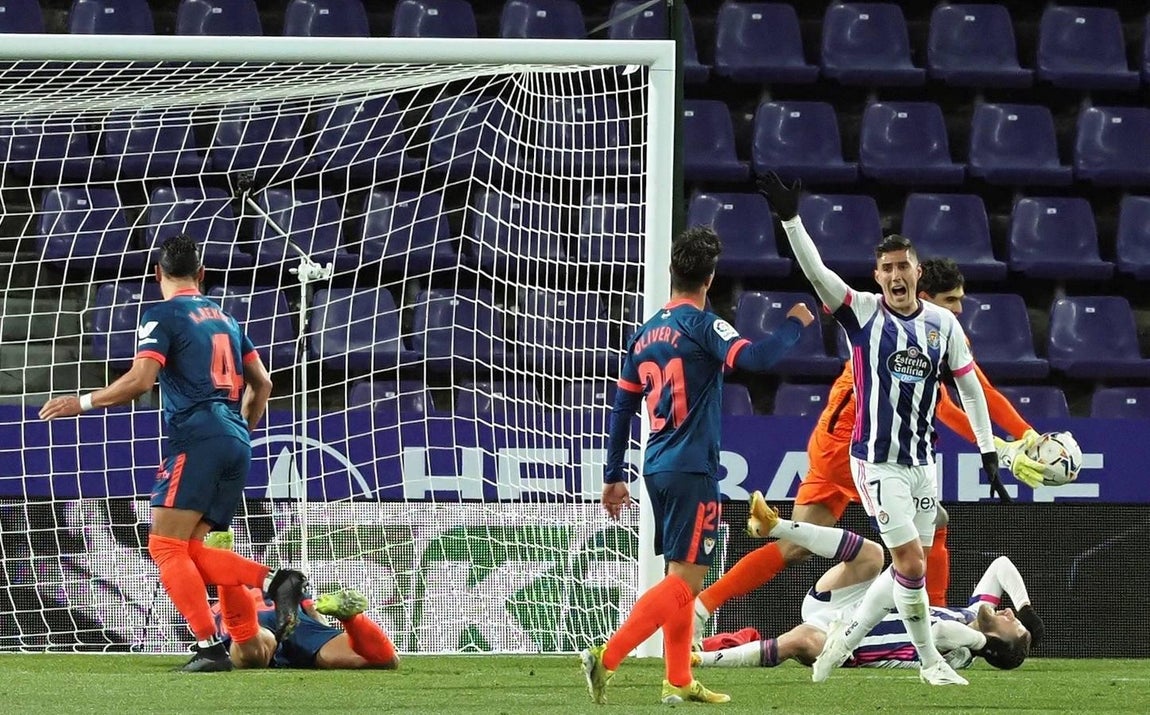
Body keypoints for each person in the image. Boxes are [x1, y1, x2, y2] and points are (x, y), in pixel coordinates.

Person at [693, 258, 1048, 646]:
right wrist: (1001, 448)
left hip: (848, 439)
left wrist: (1028, 436)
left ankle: (701, 607)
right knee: (931, 519)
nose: (960, 310)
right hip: (854, 441)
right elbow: (944, 407)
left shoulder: (940, 329)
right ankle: (936, 620)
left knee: (795, 547)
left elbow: (980, 392)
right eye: (952, 300)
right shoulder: (892, 326)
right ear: (923, 295)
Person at [758, 174, 1003, 686]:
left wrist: (987, 450)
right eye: (886, 268)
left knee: (902, 570)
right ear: (877, 275)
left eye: (903, 267)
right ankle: (931, 665)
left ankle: (841, 645)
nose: (895, 275)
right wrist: (790, 218)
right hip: (876, 460)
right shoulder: (863, 314)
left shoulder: (942, 325)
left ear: (917, 273)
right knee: (910, 560)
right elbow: (816, 271)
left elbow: (971, 390)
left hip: (923, 464)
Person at [38, 234, 307, 672]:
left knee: (164, 545)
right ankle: (277, 583)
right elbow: (265, 384)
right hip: (236, 437)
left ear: (157, 273)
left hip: (197, 435)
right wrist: (237, 431)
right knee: (189, 547)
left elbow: (142, 379)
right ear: (202, 274)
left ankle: (209, 646)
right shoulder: (226, 318)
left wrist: (81, 403)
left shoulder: (162, 314)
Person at [579, 226, 815, 705]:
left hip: (658, 466)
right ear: (709, 279)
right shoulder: (703, 326)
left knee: (678, 576)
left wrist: (612, 476)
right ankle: (607, 657)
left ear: (672, 272)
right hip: (692, 467)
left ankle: (679, 678)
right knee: (687, 582)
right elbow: (757, 358)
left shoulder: (644, 333)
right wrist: (795, 322)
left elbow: (622, 408)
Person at [694, 498, 1042, 673]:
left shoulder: (961, 654)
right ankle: (776, 524)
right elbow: (1000, 567)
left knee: (798, 641)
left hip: (843, 643)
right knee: (872, 555)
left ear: (997, 644)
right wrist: (1027, 612)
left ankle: (701, 660)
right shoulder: (969, 612)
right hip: (846, 601)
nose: (1009, 611)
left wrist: (984, 643)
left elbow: (940, 635)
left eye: (1014, 623)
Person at [206, 533, 399, 670]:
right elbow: (314, 614)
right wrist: (326, 632)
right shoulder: (283, 587)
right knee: (383, 661)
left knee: (252, 658)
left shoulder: (213, 607)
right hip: (298, 621)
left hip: (255, 624)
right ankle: (352, 620)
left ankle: (225, 571)